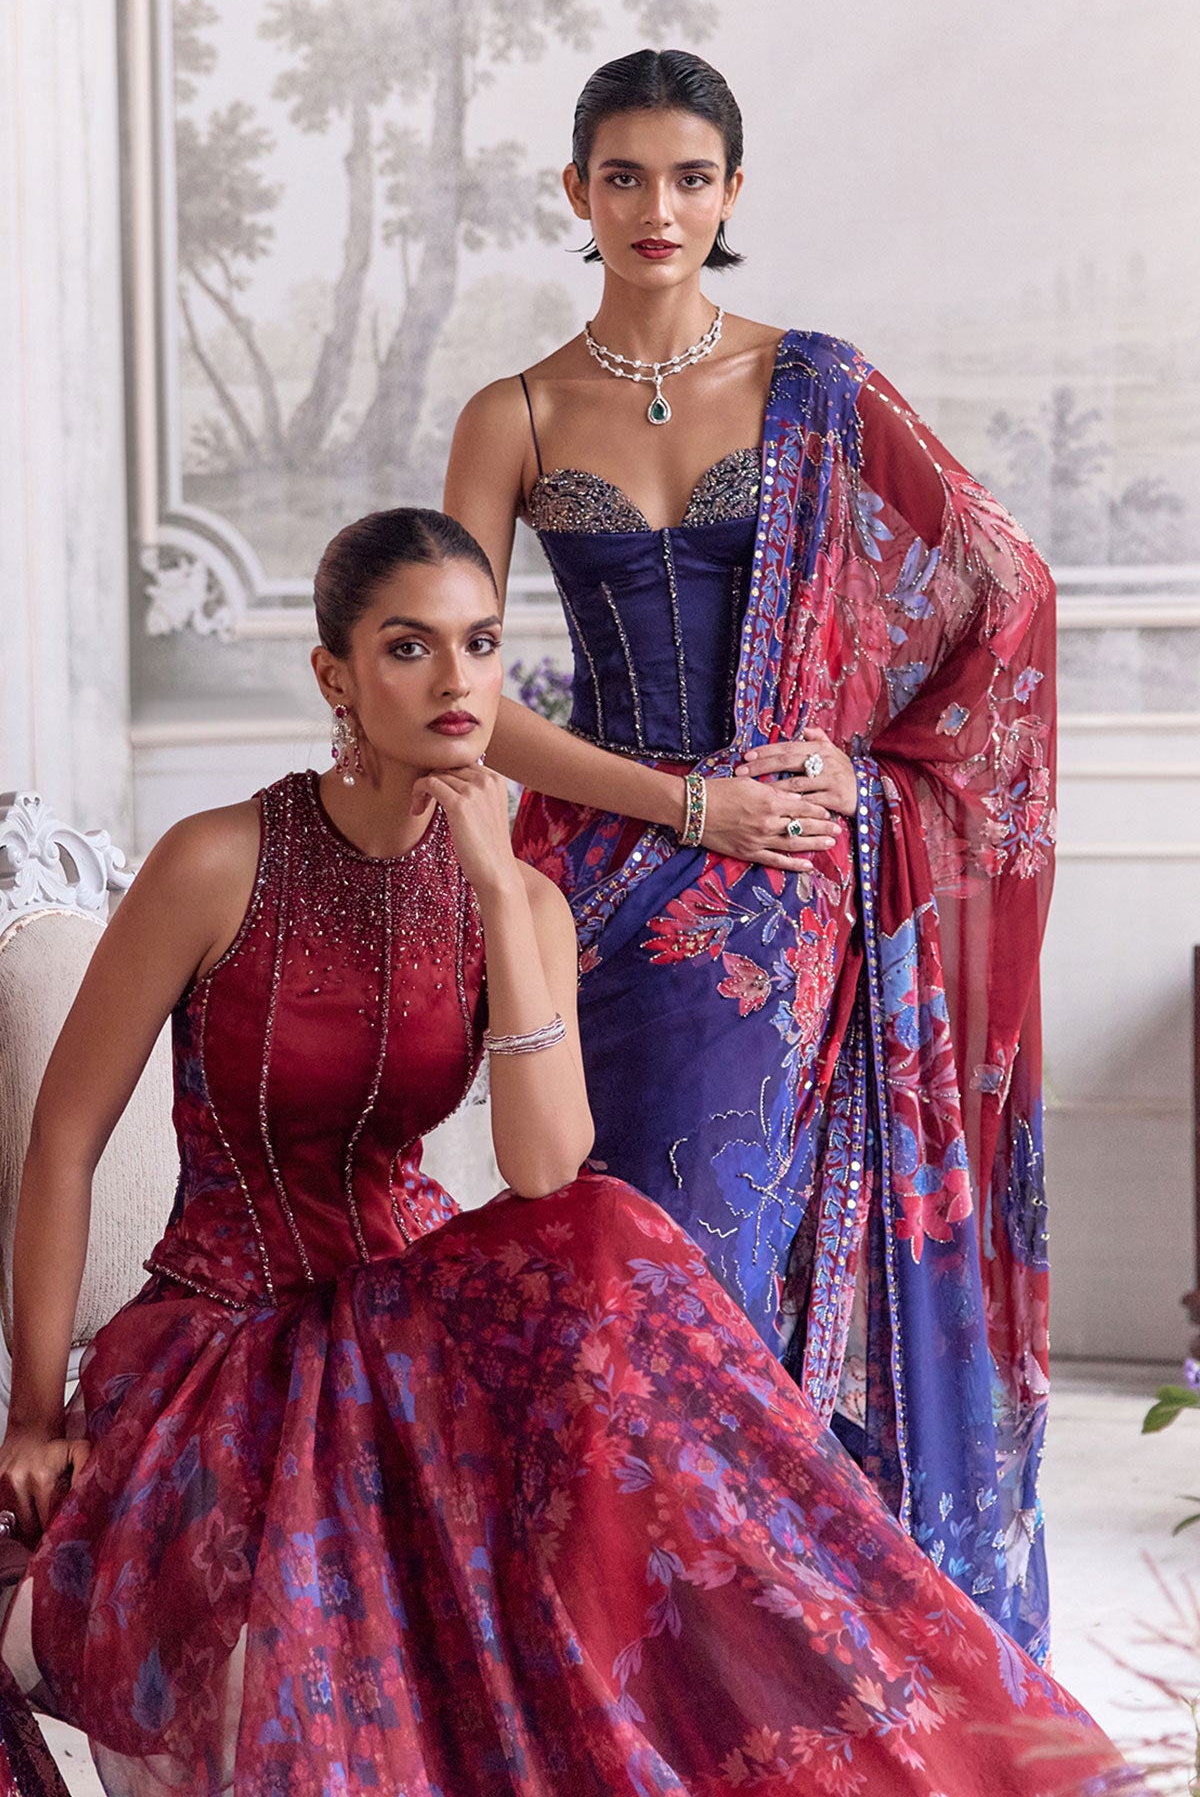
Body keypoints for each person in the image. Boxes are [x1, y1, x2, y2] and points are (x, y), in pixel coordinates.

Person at [0, 509, 1127, 1795]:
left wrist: (495, 885)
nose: (455, 679)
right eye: (409, 647)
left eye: (480, 644)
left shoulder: (521, 895)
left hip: (403, 1315)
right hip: (227, 1330)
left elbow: (546, 1169)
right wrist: (33, 1414)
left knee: (608, 1252)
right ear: (335, 676)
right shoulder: (216, 860)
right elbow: (65, 1142)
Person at [444, 48, 1059, 1660]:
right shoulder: (513, 414)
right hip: (587, 891)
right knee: (594, 1267)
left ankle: (751, 1655)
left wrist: (864, 774)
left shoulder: (819, 385)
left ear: (733, 193)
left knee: (709, 1271)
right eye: (624, 176)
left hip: (776, 894)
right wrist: (681, 809)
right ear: (575, 191)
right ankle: (619, 1651)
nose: (658, 207)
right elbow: (463, 704)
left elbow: (1010, 595)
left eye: (691, 177)